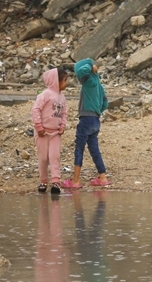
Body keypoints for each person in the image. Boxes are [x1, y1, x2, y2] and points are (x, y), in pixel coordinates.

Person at [62, 59, 110, 189]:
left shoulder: (88, 82)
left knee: (79, 149)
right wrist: (98, 111)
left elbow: (81, 70)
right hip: (95, 120)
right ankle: (103, 177)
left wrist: (90, 65)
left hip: (86, 119)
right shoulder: (99, 85)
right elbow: (106, 103)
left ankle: (76, 180)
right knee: (94, 149)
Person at [32, 67, 69, 194]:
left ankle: (55, 182)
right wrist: (39, 126)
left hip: (55, 133)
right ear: (55, 81)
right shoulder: (45, 95)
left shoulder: (62, 97)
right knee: (43, 158)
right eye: (64, 80)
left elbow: (64, 113)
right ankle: (43, 181)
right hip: (42, 133)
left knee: (55, 156)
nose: (67, 83)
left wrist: (62, 126)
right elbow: (36, 110)